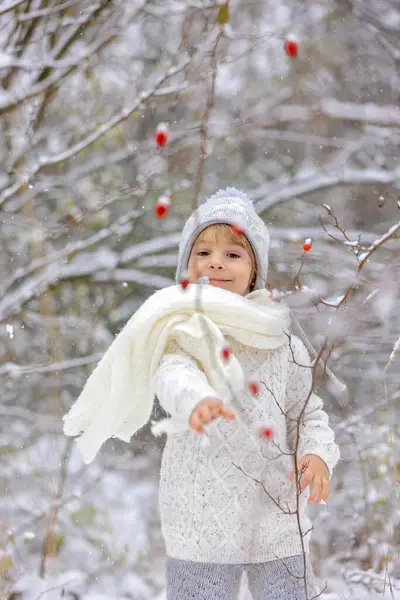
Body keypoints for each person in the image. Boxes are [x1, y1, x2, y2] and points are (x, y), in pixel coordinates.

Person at [152, 187, 340, 599]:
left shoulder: (280, 338)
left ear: (255, 269)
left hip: (274, 508)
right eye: (203, 252)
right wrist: (195, 397)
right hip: (201, 514)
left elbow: (306, 413)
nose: (216, 261)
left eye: (233, 254)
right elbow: (171, 373)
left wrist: (317, 454)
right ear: (187, 264)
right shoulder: (182, 327)